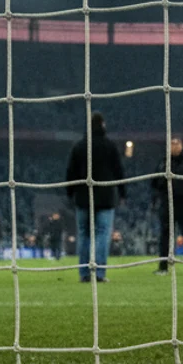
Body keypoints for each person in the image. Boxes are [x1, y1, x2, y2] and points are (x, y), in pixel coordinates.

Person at [65, 112, 126, 283]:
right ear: (103, 125)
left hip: (83, 197)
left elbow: (70, 172)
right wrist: (122, 192)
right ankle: (99, 273)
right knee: (102, 234)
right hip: (105, 197)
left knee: (84, 235)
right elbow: (118, 170)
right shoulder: (109, 146)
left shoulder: (79, 146)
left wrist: (70, 193)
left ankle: (84, 273)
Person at [151, 137, 183, 275]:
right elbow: (154, 182)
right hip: (167, 204)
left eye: (176, 144)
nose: (174, 146)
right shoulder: (163, 162)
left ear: (181, 145)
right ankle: (163, 267)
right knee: (165, 235)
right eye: (171, 144)